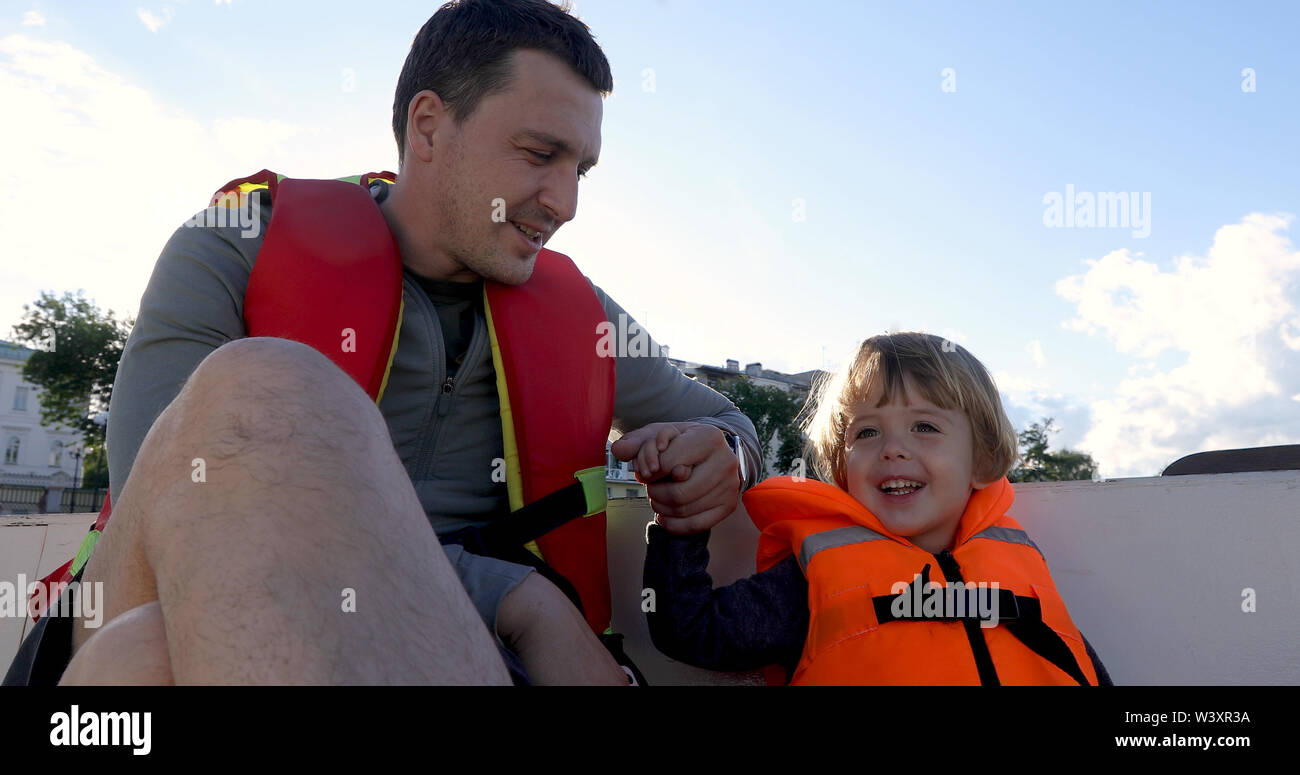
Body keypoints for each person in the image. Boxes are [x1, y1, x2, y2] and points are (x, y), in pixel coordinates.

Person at [5, 0, 759, 686]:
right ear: (428, 126)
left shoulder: (584, 313)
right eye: (539, 155)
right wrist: (518, 595)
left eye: (580, 170)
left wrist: (721, 456)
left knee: (142, 661)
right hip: (191, 601)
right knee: (258, 385)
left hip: (433, 652)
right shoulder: (232, 249)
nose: (564, 204)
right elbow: (194, 518)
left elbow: (735, 424)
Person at [644, 332, 1112, 685]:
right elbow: (690, 630)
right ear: (841, 469)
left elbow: (1076, 663)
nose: (892, 449)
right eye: (866, 432)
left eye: (924, 426)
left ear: (984, 460)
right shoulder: (811, 582)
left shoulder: (1019, 562)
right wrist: (681, 522)